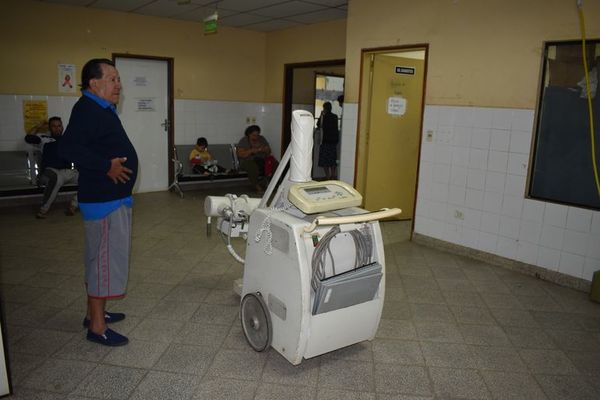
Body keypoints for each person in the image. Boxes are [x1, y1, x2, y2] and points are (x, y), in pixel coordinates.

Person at [59, 58, 138, 347]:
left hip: (111, 198)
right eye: (113, 79)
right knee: (103, 263)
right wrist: (106, 166)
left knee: (100, 260)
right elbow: (67, 148)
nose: (119, 85)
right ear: (94, 83)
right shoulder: (88, 108)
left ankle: (95, 312)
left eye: (119, 79)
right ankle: (97, 326)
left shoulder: (100, 108)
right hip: (105, 200)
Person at [24, 116, 79, 219]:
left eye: (59, 126)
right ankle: (43, 209)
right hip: (51, 171)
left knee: (88, 178)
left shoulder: (68, 140)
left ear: (62, 127)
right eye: (54, 126)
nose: (57, 128)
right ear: (49, 128)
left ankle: (73, 205)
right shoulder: (43, 139)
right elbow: (27, 138)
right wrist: (39, 126)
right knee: (56, 178)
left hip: (68, 172)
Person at [236, 125, 276, 193]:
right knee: (252, 167)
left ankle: (273, 184)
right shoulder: (244, 140)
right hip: (247, 161)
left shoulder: (262, 139)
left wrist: (264, 150)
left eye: (257, 135)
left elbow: (268, 151)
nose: (256, 137)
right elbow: (240, 154)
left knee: (275, 164)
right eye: (253, 135)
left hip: (261, 159)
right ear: (249, 134)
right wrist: (252, 150)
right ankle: (257, 186)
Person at [317, 102, 340, 180]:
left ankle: (327, 176)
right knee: (332, 160)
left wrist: (321, 115)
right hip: (333, 141)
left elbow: (318, 124)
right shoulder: (335, 116)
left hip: (325, 141)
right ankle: (333, 175)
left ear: (325, 109)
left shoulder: (324, 117)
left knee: (325, 160)